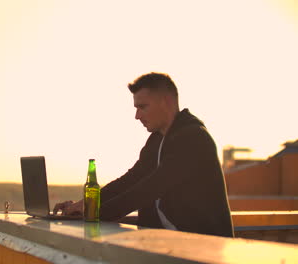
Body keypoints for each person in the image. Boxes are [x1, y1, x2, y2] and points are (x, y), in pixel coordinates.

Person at [53, 72, 234, 237]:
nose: (137, 116)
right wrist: (84, 204)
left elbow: (149, 188)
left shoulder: (193, 137)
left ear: (166, 102)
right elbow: (131, 179)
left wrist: (92, 213)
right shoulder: (157, 139)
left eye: (142, 107)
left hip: (203, 250)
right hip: (171, 244)